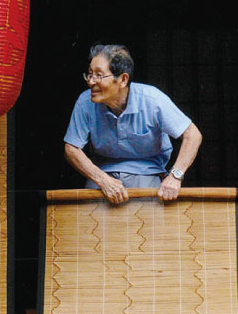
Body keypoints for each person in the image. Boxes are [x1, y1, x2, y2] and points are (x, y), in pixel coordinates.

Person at [63, 44, 202, 204]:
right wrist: (103, 180)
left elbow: (192, 135)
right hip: (102, 173)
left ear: (122, 79)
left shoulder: (153, 100)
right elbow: (71, 148)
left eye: (99, 75)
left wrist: (175, 176)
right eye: (89, 74)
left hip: (146, 173)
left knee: (147, 218)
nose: (90, 81)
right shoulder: (85, 101)